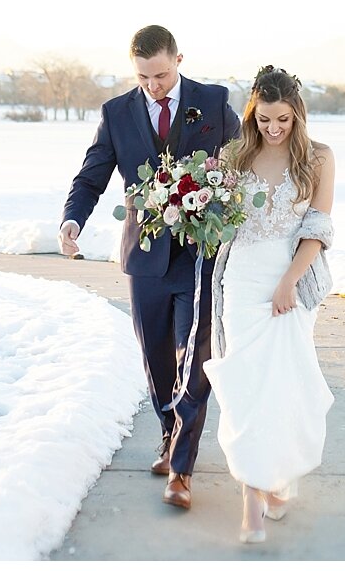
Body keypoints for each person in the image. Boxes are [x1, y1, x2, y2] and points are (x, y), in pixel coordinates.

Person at [59, 25, 241, 510]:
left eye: (161, 74)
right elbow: (93, 173)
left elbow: (241, 163)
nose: (154, 85)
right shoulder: (116, 113)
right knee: (158, 359)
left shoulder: (215, 101)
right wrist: (73, 219)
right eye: (144, 77)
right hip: (145, 257)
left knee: (194, 360)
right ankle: (169, 434)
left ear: (178, 59)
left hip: (199, 258)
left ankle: (181, 469)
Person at [202, 65, 336, 544]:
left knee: (283, 389)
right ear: (252, 116)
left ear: (297, 115)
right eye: (264, 121)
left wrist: (288, 283)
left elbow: (317, 231)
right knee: (246, 388)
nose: (273, 129)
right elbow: (219, 222)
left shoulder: (319, 159)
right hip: (240, 280)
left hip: (291, 283)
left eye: (282, 120)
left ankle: (274, 482)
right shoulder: (234, 155)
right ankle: (251, 500)